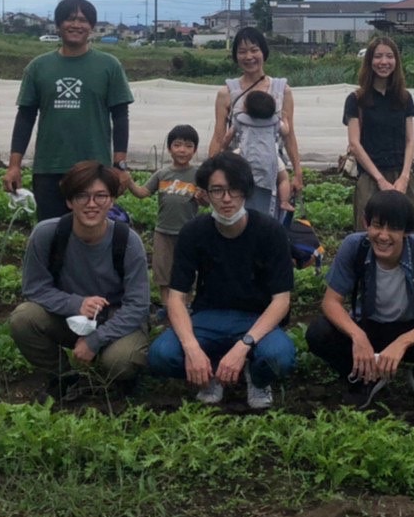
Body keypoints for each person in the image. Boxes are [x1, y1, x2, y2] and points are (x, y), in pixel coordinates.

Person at [147, 151, 297, 409]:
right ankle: (210, 369)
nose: (226, 199)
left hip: (257, 319)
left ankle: (257, 377)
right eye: (217, 190)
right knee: (162, 356)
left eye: (234, 190)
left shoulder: (270, 231)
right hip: (208, 318)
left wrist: (244, 346)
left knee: (278, 357)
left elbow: (281, 300)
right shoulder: (194, 232)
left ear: (246, 192)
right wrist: (192, 347)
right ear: (205, 194)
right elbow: (176, 297)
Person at [305, 189, 414, 413]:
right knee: (319, 332)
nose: (384, 236)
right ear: (366, 223)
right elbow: (331, 302)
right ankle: (361, 379)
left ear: (407, 231)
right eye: (377, 225)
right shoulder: (354, 246)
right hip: (369, 327)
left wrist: (403, 342)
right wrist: (358, 337)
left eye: (393, 228)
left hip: (413, 330)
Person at [8, 161, 150, 400]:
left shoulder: (127, 241)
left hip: (118, 320)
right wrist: (76, 304)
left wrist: (96, 340)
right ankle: (63, 376)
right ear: (69, 201)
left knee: (120, 361)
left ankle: (113, 380)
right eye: (82, 196)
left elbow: (138, 305)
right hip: (71, 319)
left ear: (112, 200)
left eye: (100, 196)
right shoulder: (47, 234)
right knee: (23, 318)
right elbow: (34, 287)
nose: (91, 204)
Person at [4, 0, 134, 221]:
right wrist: (14, 166)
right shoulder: (38, 67)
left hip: (95, 169)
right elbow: (25, 117)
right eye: (69, 19)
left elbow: (121, 117)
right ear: (58, 25)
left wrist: (120, 166)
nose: (76, 24)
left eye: (83, 20)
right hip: (49, 167)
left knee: (92, 234)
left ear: (91, 27)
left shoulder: (109, 65)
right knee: (52, 234)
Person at [209, 27, 304, 205]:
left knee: (267, 222)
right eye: (242, 52)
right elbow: (219, 136)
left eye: (254, 50)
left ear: (263, 52)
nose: (249, 56)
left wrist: (298, 172)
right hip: (235, 174)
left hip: (272, 171)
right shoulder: (227, 92)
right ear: (236, 56)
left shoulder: (282, 90)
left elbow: (289, 135)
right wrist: (210, 173)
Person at [125, 124, 204, 317]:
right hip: (163, 231)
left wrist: (203, 196)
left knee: (187, 269)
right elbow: (143, 193)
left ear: (194, 150)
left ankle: (186, 306)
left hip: (188, 233)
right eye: (177, 145)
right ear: (169, 148)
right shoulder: (162, 174)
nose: (182, 150)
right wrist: (128, 181)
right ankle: (166, 307)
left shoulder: (198, 175)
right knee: (162, 271)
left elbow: (206, 200)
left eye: (188, 146)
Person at [343, 35, 414, 231]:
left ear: (396, 61)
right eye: (378, 57)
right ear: (369, 61)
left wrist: (404, 177)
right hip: (370, 178)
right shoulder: (356, 100)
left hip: (401, 177)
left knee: (403, 233)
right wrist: (380, 180)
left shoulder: (404, 97)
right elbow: (354, 144)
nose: (384, 62)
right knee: (369, 233)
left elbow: (410, 140)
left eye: (389, 56)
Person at [233, 89, 293, 220]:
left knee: (229, 168)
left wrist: (222, 148)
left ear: (246, 108)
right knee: (283, 178)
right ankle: (284, 201)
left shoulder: (241, 120)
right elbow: (286, 132)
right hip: (270, 157)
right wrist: (286, 119)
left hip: (244, 155)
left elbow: (228, 136)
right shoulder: (275, 121)